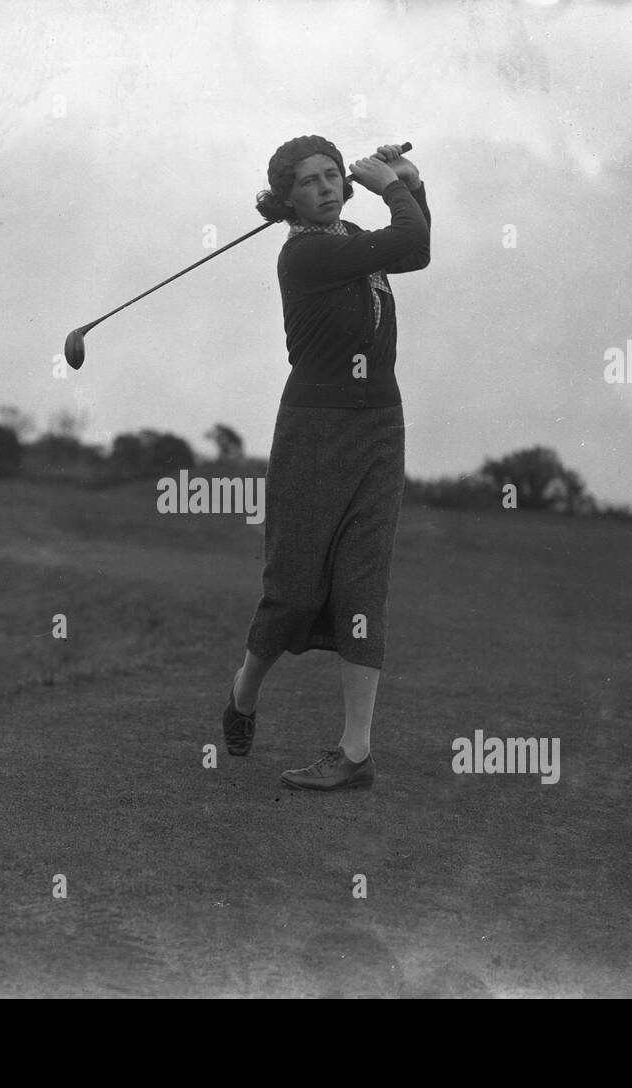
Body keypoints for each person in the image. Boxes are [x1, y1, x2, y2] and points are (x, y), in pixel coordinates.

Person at [221, 135, 431, 792]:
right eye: (309, 181)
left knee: (362, 587)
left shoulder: (352, 237)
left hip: (380, 423)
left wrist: (409, 182)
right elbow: (402, 239)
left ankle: (355, 752)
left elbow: (416, 248)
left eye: (333, 174)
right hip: (315, 428)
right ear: (287, 201)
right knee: (296, 587)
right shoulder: (308, 253)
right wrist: (392, 187)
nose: (327, 185)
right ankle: (244, 694)